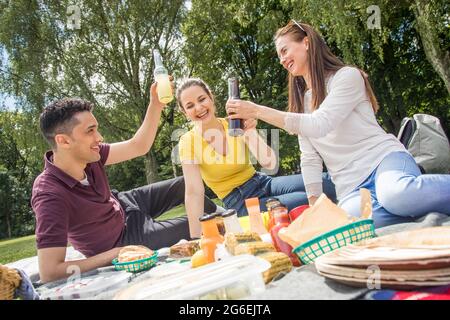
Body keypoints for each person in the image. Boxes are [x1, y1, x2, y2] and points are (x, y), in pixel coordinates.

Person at [225, 20, 450, 229]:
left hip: (383, 161)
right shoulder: (302, 102)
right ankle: (420, 206)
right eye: (279, 56)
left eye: (285, 50)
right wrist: (315, 205)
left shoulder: (347, 77)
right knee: (351, 224)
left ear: (306, 42)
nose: (282, 60)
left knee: (395, 194)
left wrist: (256, 110)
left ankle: (411, 197)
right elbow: (310, 157)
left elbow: (320, 124)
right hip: (351, 186)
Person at [32, 81, 221, 283]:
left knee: (185, 185)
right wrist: (116, 253)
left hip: (125, 203)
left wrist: (155, 105)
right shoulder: (50, 194)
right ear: (64, 141)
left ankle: (223, 218)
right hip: (122, 240)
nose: (99, 137)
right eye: (90, 131)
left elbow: (138, 146)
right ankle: (220, 233)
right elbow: (50, 272)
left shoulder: (89, 153)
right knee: (206, 225)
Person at [176, 78, 336, 238]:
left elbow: (269, 162)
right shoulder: (188, 141)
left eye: (202, 99)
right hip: (239, 202)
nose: (198, 108)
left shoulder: (234, 123)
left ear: (210, 97)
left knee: (326, 183)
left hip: (262, 182)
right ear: (184, 112)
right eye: (190, 106)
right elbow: (194, 192)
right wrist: (196, 238)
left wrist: (250, 132)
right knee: (306, 200)